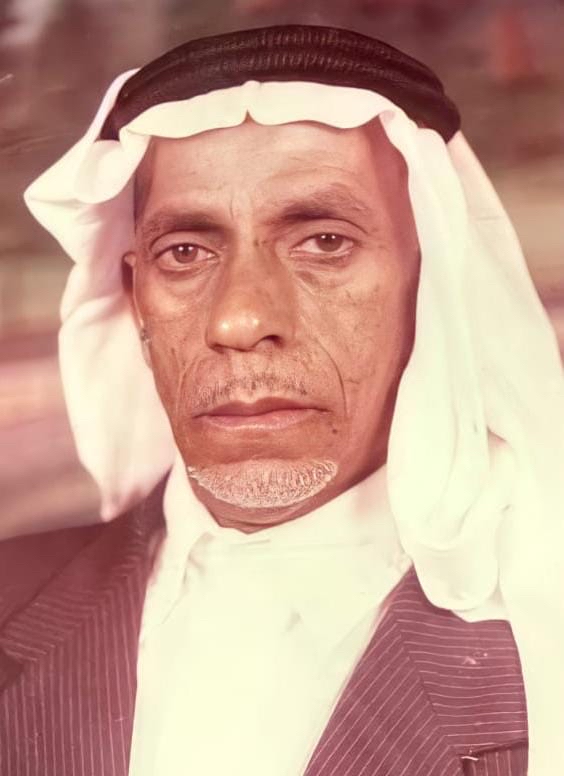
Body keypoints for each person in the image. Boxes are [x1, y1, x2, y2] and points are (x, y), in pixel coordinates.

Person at [1, 24, 563, 776]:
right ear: (135, 301)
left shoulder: (543, 641)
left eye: (324, 242)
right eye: (185, 253)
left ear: (432, 285)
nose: (239, 320)